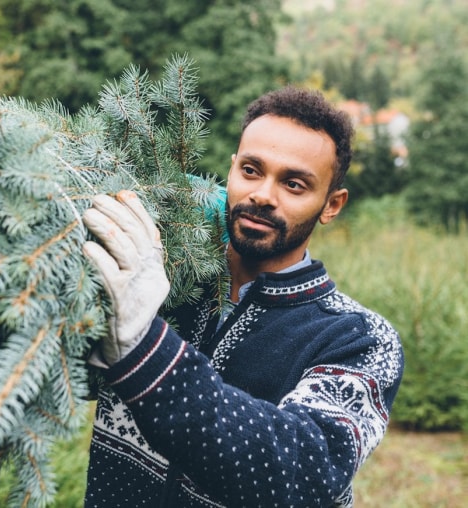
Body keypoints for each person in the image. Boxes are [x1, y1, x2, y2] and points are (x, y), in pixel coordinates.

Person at [80, 85, 404, 507]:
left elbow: (302, 473)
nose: (263, 195)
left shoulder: (359, 339)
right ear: (232, 169)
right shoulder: (166, 274)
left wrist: (143, 343)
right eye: (251, 170)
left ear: (332, 204)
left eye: (294, 183)